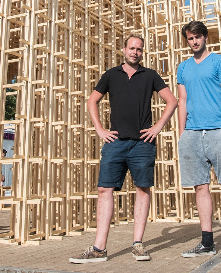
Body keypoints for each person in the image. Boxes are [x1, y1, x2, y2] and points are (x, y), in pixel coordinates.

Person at [70, 35, 177, 263]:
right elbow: (92, 101)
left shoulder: (150, 75)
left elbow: (173, 100)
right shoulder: (111, 75)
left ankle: (138, 244)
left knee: (142, 189)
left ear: (142, 52)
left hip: (142, 143)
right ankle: (99, 248)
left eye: (139, 49)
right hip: (115, 142)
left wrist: (157, 127)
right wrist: (99, 129)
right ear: (124, 50)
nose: (135, 52)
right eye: (132, 48)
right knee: (104, 190)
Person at [176, 21, 221, 263]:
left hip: (217, 130)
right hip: (193, 134)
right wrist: (182, 132)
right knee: (200, 187)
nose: (194, 41)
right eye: (190, 38)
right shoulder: (183, 67)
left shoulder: (219, 62)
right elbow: (182, 101)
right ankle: (207, 243)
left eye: (197, 37)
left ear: (205, 37)